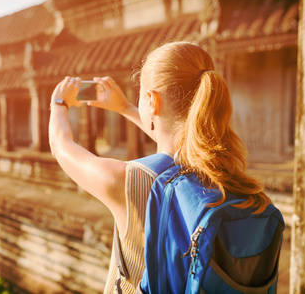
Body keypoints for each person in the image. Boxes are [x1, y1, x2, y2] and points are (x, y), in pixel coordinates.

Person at [48, 41, 271, 293]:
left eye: (141, 94)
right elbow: (182, 144)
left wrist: (58, 103)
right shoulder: (227, 172)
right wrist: (125, 108)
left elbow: (60, 145)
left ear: (151, 100)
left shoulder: (128, 180)